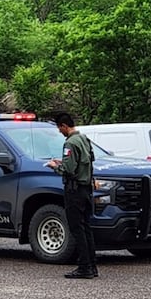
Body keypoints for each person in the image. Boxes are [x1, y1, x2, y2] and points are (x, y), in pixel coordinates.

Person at [47, 113, 98, 279]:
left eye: (59, 128)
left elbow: (68, 170)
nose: (59, 131)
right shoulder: (84, 139)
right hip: (86, 189)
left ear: (63, 126)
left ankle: (84, 267)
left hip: (74, 190)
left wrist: (54, 166)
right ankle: (92, 265)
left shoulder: (69, 143)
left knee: (77, 229)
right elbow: (89, 161)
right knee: (86, 227)